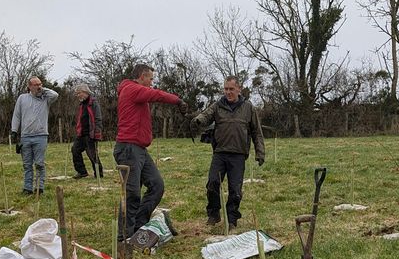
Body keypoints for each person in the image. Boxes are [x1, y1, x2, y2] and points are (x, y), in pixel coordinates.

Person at [114, 63, 184, 240]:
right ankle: (125, 236)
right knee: (132, 194)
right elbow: (157, 95)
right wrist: (178, 100)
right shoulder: (132, 88)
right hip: (128, 148)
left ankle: (139, 223)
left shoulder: (134, 92)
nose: (151, 83)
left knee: (157, 185)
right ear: (141, 76)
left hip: (139, 149)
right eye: (150, 79)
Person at [191, 76, 266, 229]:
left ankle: (232, 219)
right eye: (226, 89)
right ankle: (213, 214)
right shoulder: (218, 105)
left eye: (231, 89)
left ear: (239, 89)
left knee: (235, 190)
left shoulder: (248, 108)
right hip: (220, 153)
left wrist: (260, 152)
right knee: (212, 183)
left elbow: (256, 132)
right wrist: (198, 120)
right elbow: (206, 115)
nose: (228, 92)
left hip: (238, 155)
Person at [11, 76, 57, 195]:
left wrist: (42, 89)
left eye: (40, 84)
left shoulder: (45, 98)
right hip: (25, 136)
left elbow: (55, 95)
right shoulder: (22, 98)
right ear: (29, 86)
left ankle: (39, 187)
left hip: (41, 136)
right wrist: (14, 131)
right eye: (35, 85)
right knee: (27, 164)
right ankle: (27, 188)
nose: (38, 86)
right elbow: (16, 115)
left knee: (39, 163)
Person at [70, 83, 104, 179]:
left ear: (85, 92)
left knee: (92, 154)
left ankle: (98, 173)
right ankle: (82, 172)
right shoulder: (81, 104)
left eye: (78, 93)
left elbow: (98, 118)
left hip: (91, 133)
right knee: (75, 150)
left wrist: (97, 132)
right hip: (81, 133)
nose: (77, 95)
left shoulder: (93, 102)